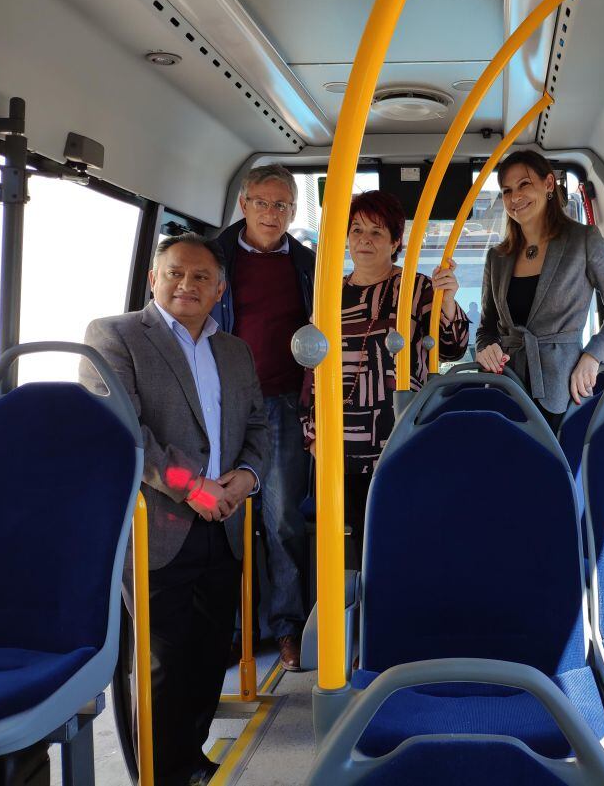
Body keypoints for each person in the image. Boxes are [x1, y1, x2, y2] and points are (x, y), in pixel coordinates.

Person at [81, 234, 268, 786]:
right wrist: (193, 488)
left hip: (225, 522)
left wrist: (246, 479)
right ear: (154, 280)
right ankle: (158, 774)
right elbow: (122, 431)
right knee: (160, 661)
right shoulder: (114, 337)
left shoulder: (234, 351)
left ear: (219, 289)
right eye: (176, 274)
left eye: (201, 277)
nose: (187, 285)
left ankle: (189, 757)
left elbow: (256, 426)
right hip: (158, 523)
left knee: (211, 654)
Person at [301, 190, 469, 567]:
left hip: (400, 429)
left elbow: (454, 346)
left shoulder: (417, 287)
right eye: (357, 230)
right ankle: (355, 616)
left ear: (395, 242)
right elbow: (313, 367)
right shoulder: (329, 293)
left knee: (399, 532)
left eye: (376, 233)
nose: (364, 240)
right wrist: (312, 434)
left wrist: (449, 301)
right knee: (351, 543)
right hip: (341, 437)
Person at [211, 163, 314, 672]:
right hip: (222, 405)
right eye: (263, 203)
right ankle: (235, 631)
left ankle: (288, 628)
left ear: (294, 212)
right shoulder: (214, 258)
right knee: (223, 518)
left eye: (282, 206)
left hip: (284, 403)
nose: (272, 214)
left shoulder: (309, 265)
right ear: (243, 204)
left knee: (283, 522)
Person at [476, 150, 604, 431]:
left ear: (548, 184)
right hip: (506, 385)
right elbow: (486, 328)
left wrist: (593, 356)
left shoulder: (584, 241)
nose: (515, 197)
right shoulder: (497, 258)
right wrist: (484, 348)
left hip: (564, 385)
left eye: (524, 184)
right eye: (506, 191)